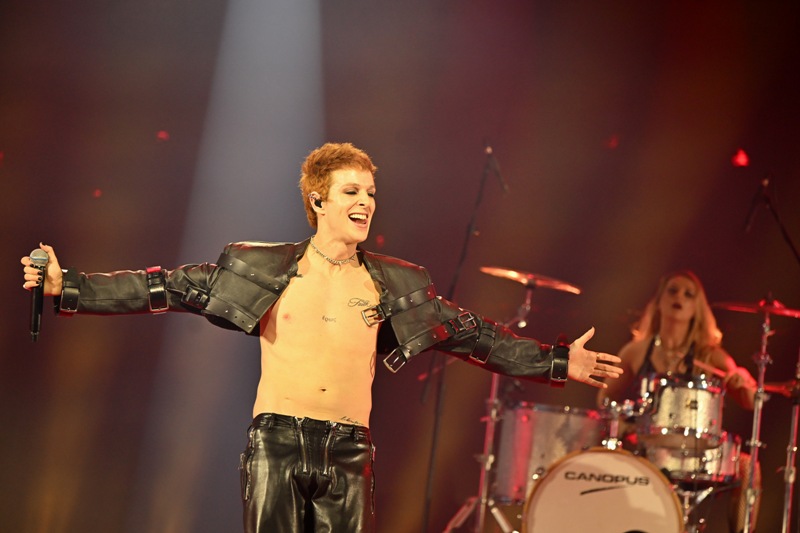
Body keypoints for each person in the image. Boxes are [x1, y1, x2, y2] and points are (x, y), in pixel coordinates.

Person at [22, 142, 623, 533]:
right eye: (351, 192)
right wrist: (68, 286)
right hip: (278, 444)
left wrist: (556, 360)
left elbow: (473, 335)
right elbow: (163, 287)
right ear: (319, 200)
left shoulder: (392, 284)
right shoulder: (264, 269)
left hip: (349, 450)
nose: (366, 203)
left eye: (371, 193)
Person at [597, 270, 760, 533]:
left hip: (697, 452)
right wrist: (625, 424)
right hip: (647, 446)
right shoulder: (636, 351)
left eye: (688, 294)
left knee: (747, 466)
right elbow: (605, 397)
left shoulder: (710, 355)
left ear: (697, 309)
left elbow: (750, 402)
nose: (679, 298)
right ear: (659, 301)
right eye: (672, 291)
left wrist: (742, 379)